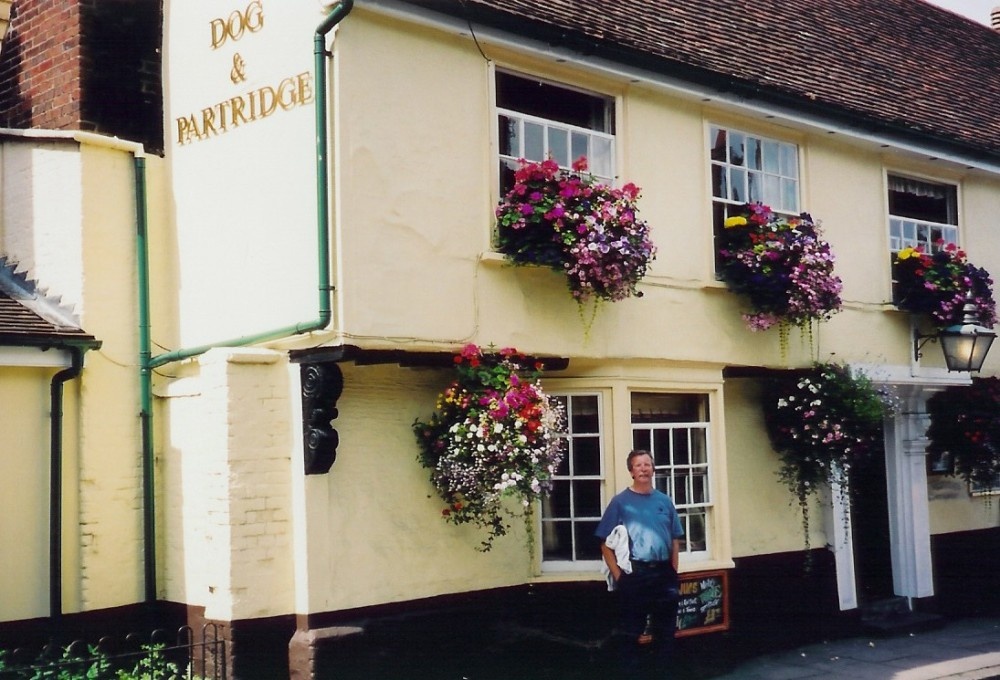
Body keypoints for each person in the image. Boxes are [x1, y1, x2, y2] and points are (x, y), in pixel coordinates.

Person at [595, 449, 684, 677]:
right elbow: (605, 543)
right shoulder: (620, 502)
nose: (643, 468)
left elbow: (675, 539)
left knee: (665, 631)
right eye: (638, 465)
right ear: (631, 471)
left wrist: (673, 570)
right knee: (631, 632)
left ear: (653, 469)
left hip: (664, 574)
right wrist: (620, 577)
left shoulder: (665, 501)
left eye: (647, 464)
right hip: (636, 574)